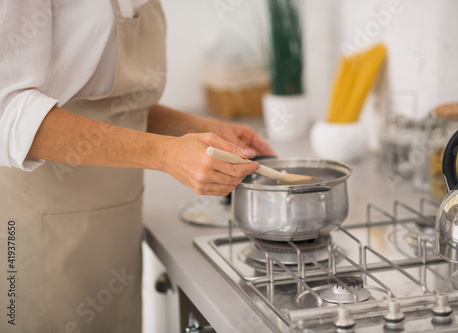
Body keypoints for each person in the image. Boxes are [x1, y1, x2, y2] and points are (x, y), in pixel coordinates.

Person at [0, 1, 275, 332]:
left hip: (115, 226)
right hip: (42, 228)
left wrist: (194, 128)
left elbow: (109, 104)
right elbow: (8, 111)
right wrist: (165, 153)